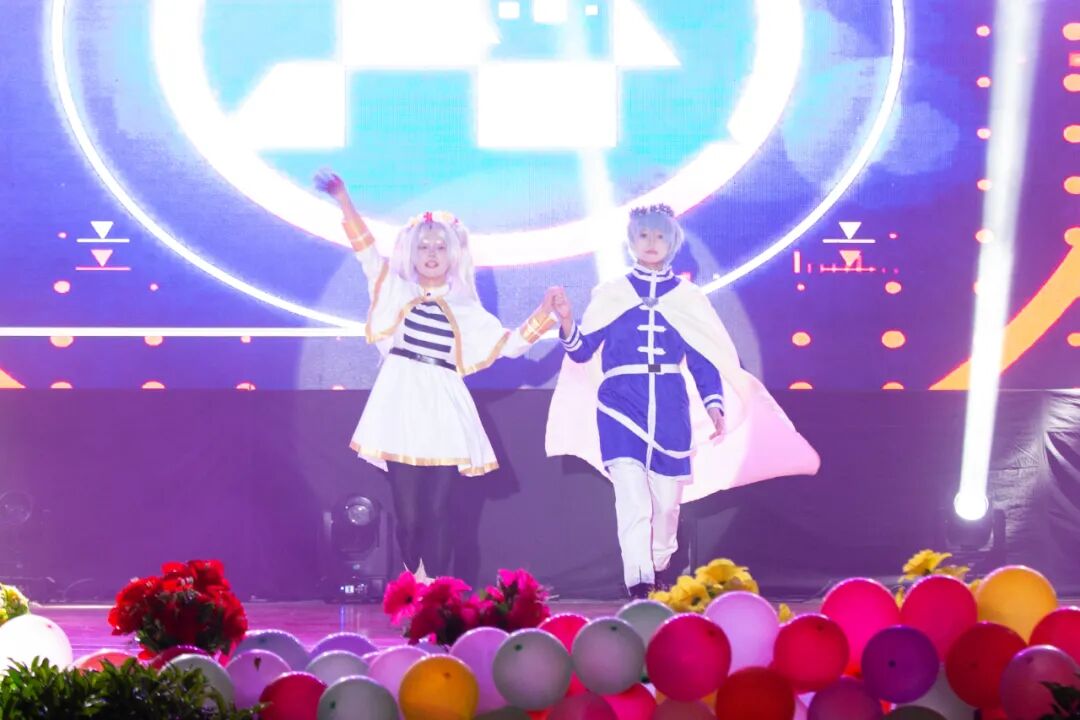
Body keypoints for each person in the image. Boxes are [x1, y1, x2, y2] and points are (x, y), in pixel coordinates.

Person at [545, 204, 820, 597]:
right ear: (631, 242)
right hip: (619, 404)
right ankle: (639, 581)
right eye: (643, 235)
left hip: (671, 409)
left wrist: (713, 404)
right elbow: (581, 351)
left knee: (666, 505)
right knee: (632, 498)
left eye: (659, 235)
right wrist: (567, 321)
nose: (651, 242)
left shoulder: (688, 298)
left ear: (672, 242)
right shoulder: (611, 293)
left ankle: (658, 562)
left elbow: (704, 356)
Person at [317, 170, 556, 577]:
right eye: (424, 246)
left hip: (444, 408)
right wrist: (343, 199)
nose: (431, 254)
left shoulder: (465, 307)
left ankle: (439, 593)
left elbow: (511, 344)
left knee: (439, 510)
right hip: (400, 407)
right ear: (412, 253)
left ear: (453, 255)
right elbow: (367, 252)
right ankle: (415, 583)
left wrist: (545, 314)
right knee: (409, 516)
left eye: (440, 247)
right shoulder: (395, 288)